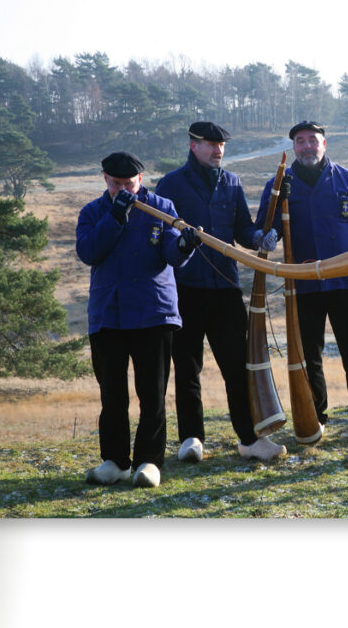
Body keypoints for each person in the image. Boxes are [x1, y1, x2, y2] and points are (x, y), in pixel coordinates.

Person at [155, 122, 285, 463]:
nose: (218, 150)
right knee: (187, 368)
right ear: (193, 145)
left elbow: (243, 229)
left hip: (226, 289)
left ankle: (248, 439)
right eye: (211, 144)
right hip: (183, 290)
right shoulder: (170, 185)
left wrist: (259, 238)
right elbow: (162, 238)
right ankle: (192, 439)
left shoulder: (232, 182)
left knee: (236, 368)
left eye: (221, 144)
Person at [254, 120, 348, 443]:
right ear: (293, 148)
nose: (307, 146)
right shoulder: (279, 183)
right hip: (301, 286)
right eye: (300, 141)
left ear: (324, 144)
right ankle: (315, 418)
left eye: (313, 140)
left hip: (346, 284)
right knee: (307, 357)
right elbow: (261, 231)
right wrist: (276, 204)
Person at [76, 152, 200, 487]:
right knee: (112, 395)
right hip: (108, 315)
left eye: (129, 183)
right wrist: (115, 217)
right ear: (105, 179)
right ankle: (115, 462)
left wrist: (186, 246)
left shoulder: (162, 208)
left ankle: (149, 462)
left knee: (152, 393)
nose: (123, 189)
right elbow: (89, 252)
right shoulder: (92, 212)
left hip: (153, 313)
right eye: (116, 184)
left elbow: (172, 255)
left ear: (141, 180)